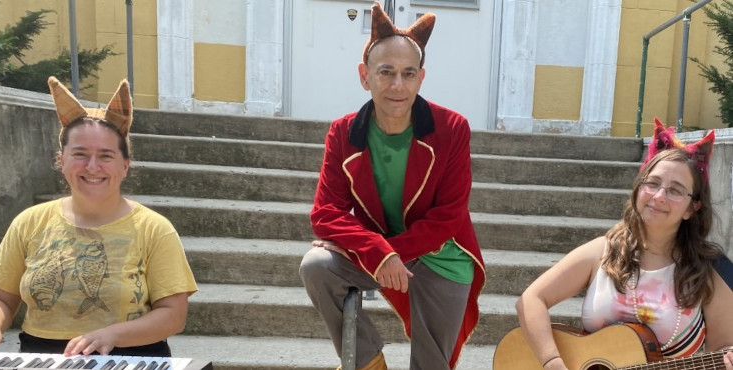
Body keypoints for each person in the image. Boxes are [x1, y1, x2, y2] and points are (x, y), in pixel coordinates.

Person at [298, 2, 485, 370]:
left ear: (421, 78)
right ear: (364, 76)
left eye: (408, 74)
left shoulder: (452, 128)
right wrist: (378, 253)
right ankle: (368, 361)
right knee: (317, 265)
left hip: (442, 256)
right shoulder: (343, 132)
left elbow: (448, 215)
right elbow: (326, 213)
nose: (398, 85)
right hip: (382, 252)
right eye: (386, 72)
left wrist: (385, 253)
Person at [0, 76, 198, 357]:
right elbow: (1, 297)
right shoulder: (29, 222)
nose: (92, 166)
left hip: (129, 357)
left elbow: (174, 315)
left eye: (105, 156)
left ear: (124, 166)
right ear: (61, 160)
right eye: (80, 154)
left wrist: (111, 335)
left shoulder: (154, 229)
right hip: (41, 359)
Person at [516, 117, 733, 369]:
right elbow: (531, 299)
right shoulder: (602, 252)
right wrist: (552, 361)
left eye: (675, 190)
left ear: (692, 207)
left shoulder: (710, 271)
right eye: (652, 183)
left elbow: (722, 350)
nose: (659, 196)